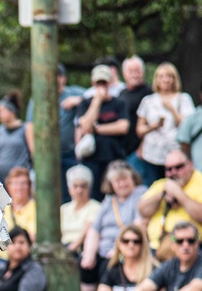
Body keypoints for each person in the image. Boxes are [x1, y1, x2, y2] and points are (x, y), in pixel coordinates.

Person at [25, 63, 85, 203]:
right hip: (47, 156)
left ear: (63, 78)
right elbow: (29, 126)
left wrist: (77, 100)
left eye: (58, 76)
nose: (55, 80)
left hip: (70, 153)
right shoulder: (38, 97)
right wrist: (35, 154)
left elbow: (95, 95)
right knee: (48, 193)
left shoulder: (73, 92)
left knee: (71, 192)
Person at [134, 63, 196, 187]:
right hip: (152, 155)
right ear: (156, 79)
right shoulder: (148, 100)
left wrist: (172, 109)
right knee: (154, 188)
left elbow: (188, 127)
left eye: (169, 76)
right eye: (161, 76)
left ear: (174, 79)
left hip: (176, 155)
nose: (165, 80)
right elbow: (139, 130)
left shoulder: (183, 99)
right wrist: (153, 126)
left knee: (177, 188)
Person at [81, 161, 147, 276]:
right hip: (103, 250)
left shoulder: (140, 194)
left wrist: (117, 250)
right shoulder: (108, 200)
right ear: (111, 184)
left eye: (125, 179)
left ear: (133, 178)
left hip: (125, 248)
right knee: (86, 270)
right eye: (117, 181)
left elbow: (138, 225)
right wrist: (89, 255)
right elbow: (95, 229)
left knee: (108, 268)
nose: (122, 184)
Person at [76, 65, 130, 200]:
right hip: (92, 159)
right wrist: (97, 101)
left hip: (114, 157)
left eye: (104, 82)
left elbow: (123, 127)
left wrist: (98, 129)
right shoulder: (85, 103)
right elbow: (85, 126)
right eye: (98, 83)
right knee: (94, 197)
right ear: (93, 83)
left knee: (116, 195)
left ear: (110, 82)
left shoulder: (119, 103)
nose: (101, 86)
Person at [137, 150, 202, 258]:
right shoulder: (162, 184)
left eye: (179, 167)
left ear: (190, 164)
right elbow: (142, 210)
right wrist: (162, 194)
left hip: (190, 248)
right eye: (169, 169)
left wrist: (179, 194)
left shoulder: (199, 182)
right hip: (157, 248)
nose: (173, 172)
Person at [59, 165, 101, 291]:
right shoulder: (64, 209)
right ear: (69, 189)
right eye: (75, 186)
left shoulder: (95, 207)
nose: (79, 190)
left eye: (83, 186)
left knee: (86, 265)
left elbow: (89, 228)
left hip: (83, 248)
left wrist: (73, 246)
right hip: (64, 247)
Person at [0, 90, 31, 183]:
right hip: (2, 179)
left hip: (20, 181)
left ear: (11, 111)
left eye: (1, 111)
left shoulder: (25, 129)